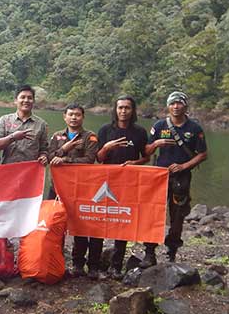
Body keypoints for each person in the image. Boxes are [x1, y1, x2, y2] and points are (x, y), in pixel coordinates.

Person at [89, 95, 150, 279]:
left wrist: (135, 163)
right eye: (120, 107)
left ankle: (116, 266)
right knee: (99, 222)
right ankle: (94, 265)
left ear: (133, 110)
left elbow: (146, 157)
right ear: (115, 110)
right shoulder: (105, 130)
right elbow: (98, 158)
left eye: (127, 108)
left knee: (122, 222)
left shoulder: (139, 132)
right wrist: (106, 147)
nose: (123, 111)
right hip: (106, 182)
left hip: (129, 182)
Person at [145, 91, 208, 264]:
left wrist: (184, 166)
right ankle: (149, 252)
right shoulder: (159, 126)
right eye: (172, 103)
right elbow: (146, 151)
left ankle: (172, 251)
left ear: (185, 106)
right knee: (153, 213)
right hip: (158, 176)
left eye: (179, 103)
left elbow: (202, 154)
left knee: (178, 215)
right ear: (168, 106)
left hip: (181, 178)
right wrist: (156, 144)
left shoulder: (194, 128)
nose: (175, 106)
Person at [47, 104, 100, 278]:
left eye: (78, 115)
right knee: (54, 223)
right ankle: (55, 259)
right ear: (64, 116)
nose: (74, 118)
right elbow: (49, 156)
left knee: (81, 225)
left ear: (83, 117)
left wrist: (65, 159)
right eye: (71, 114)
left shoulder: (90, 137)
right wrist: (65, 149)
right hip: (57, 187)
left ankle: (78, 263)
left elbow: (90, 159)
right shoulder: (57, 136)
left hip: (81, 188)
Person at [0, 85, 49, 165]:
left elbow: (44, 149)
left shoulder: (41, 124)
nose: (26, 100)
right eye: (22, 97)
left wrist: (44, 156)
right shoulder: (5, 120)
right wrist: (13, 137)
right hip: (9, 170)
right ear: (16, 100)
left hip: (30, 171)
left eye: (30, 98)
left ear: (33, 101)